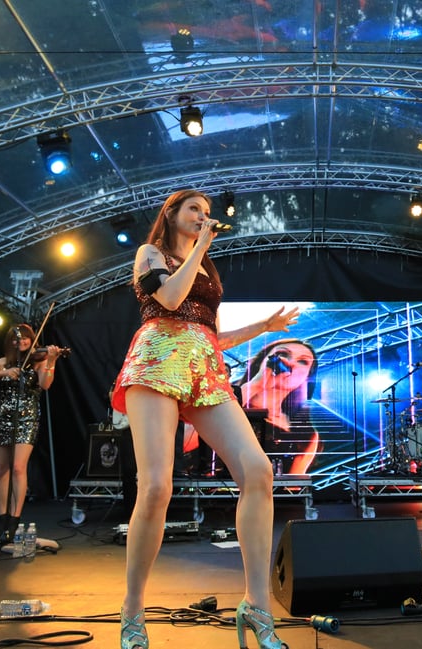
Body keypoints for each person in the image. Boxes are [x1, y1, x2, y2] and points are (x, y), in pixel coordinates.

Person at [110, 189, 298, 649]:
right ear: (172, 213)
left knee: (258, 472)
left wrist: (263, 327)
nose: (203, 216)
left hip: (204, 368)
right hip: (157, 361)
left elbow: (210, 334)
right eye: (195, 209)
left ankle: (257, 604)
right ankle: (132, 607)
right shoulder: (150, 253)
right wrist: (201, 248)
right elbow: (171, 300)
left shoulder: (206, 269)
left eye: (208, 212)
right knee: (156, 487)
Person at [0, 324, 61, 542]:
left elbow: (46, 384)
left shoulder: (39, 360)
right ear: (10, 342)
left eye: (25, 338)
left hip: (27, 417)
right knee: (0, 469)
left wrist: (51, 361)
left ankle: (15, 519)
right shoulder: (3, 361)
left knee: (18, 467)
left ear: (32, 340)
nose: (21, 341)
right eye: (16, 338)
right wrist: (3, 372)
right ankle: (2, 518)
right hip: (2, 415)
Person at [236, 338, 320, 474]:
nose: (290, 363)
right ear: (260, 363)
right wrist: (256, 384)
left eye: (302, 361)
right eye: (282, 354)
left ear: (307, 377)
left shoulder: (306, 434)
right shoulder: (225, 398)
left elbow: (294, 482)